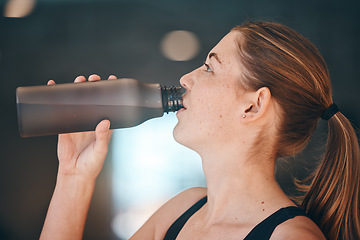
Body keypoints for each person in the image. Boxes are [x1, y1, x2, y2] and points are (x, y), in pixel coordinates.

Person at [40, 21, 360, 240]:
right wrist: (73, 177)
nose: (185, 79)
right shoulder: (181, 211)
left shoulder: (290, 237)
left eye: (209, 67)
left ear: (254, 106)